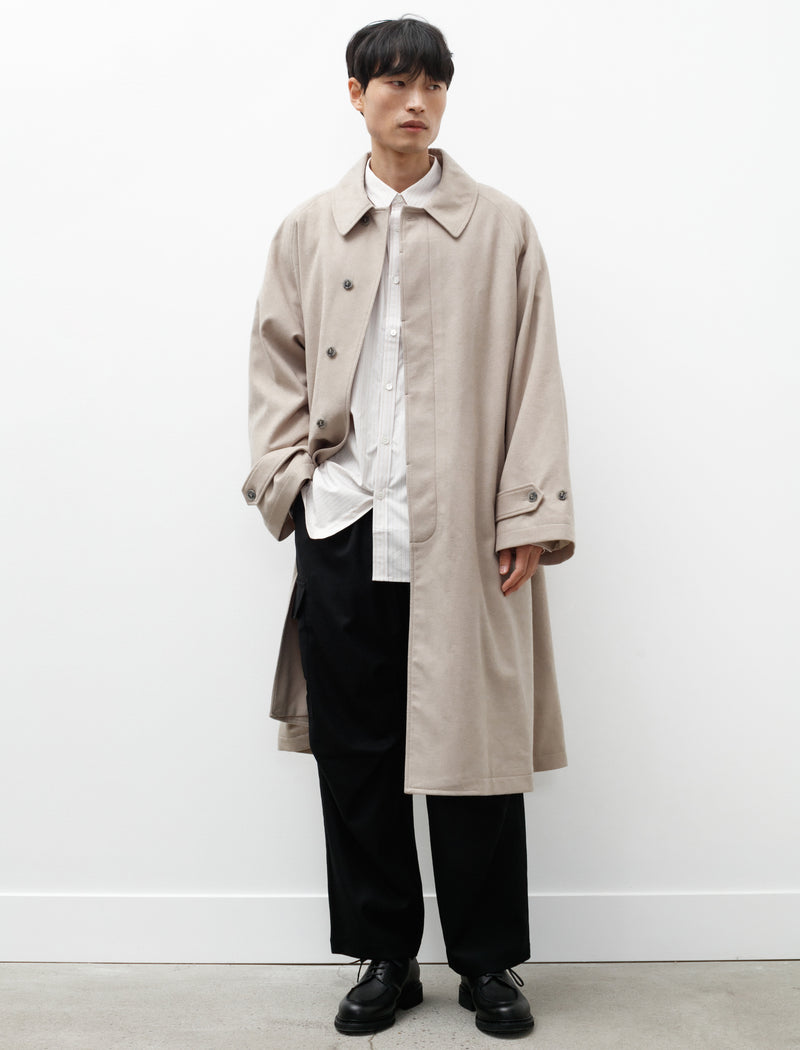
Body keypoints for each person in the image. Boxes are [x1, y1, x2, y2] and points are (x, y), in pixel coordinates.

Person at [242, 16, 575, 1038]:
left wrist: (527, 512)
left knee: (473, 750)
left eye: (431, 84)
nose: (414, 102)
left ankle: (486, 963)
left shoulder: (500, 228)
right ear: (356, 95)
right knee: (357, 756)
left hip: (463, 533)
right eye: (393, 84)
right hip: (344, 524)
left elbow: (534, 375)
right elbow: (274, 367)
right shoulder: (308, 229)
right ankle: (383, 955)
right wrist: (292, 484)